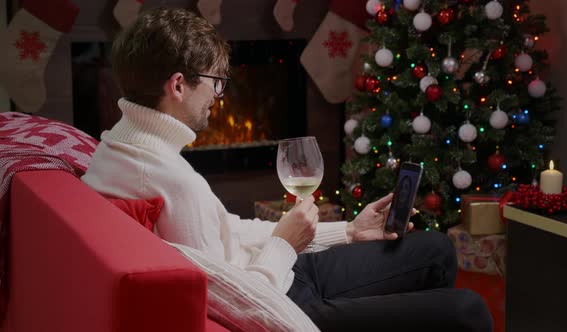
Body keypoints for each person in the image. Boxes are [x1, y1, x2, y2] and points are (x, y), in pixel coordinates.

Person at [82, 7, 493, 332]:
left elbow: (227, 233)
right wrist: (285, 244)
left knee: (435, 249)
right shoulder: (166, 176)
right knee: (468, 309)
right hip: (284, 301)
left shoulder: (120, 146)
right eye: (215, 83)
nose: (218, 96)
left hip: (276, 269)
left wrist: (347, 231)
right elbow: (235, 304)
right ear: (177, 86)